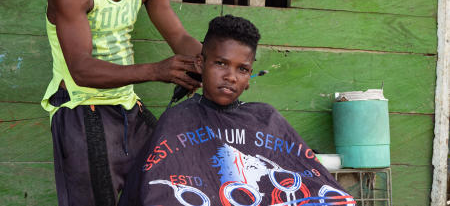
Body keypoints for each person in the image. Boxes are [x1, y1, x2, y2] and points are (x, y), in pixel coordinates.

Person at [42, 0, 202, 206]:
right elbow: (81, 69)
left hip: (127, 107)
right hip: (78, 108)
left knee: (174, 186)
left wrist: (211, 64)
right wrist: (156, 71)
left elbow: (179, 37)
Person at [119, 15, 355, 206]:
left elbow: (316, 188)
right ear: (201, 64)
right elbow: (155, 191)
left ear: (250, 77)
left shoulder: (266, 118)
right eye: (221, 63)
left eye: (242, 69)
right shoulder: (177, 120)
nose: (230, 76)